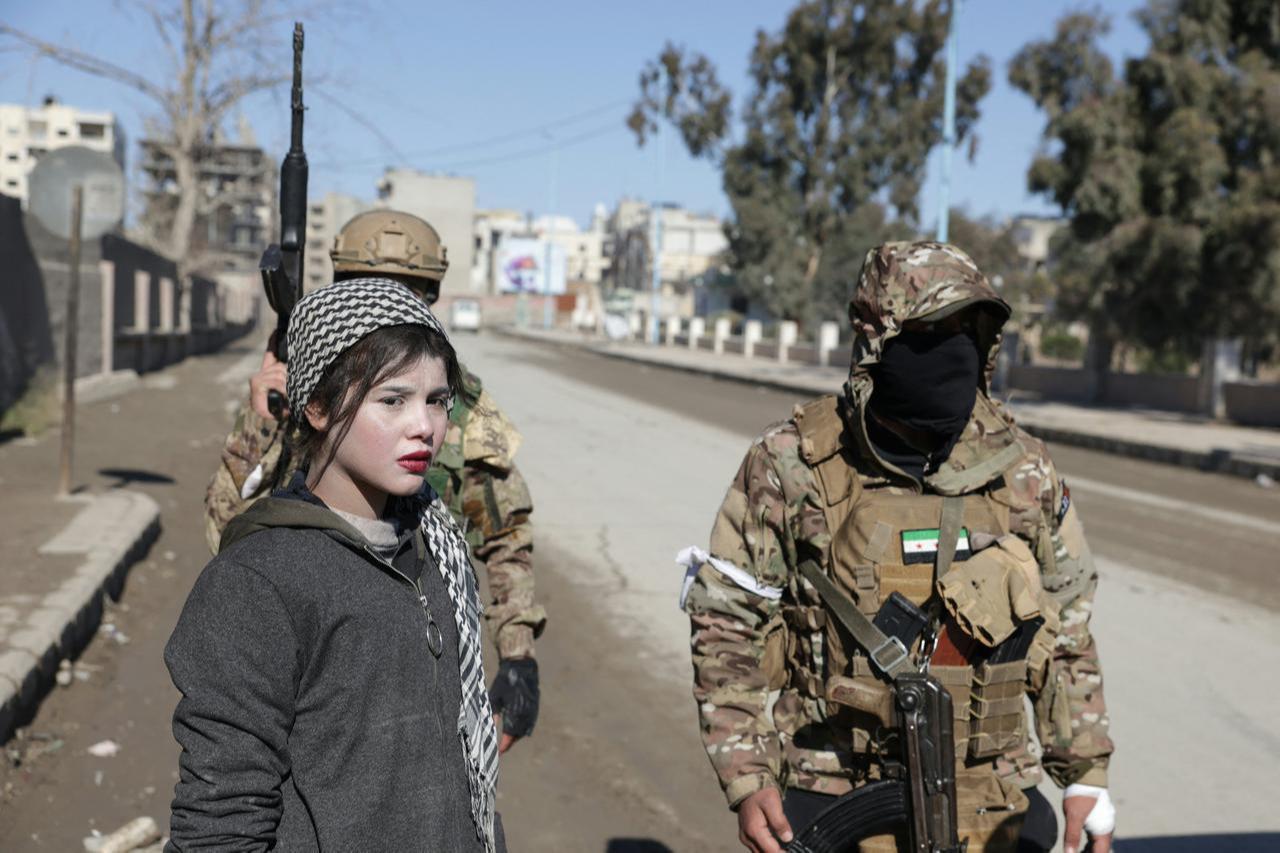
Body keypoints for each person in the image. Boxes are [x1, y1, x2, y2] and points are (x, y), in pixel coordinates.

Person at [680, 242, 1115, 853]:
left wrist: (1084, 774)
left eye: (969, 332)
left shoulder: (1021, 469)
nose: (953, 353)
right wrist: (747, 774)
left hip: (992, 790)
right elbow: (727, 621)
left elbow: (1066, 626)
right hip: (830, 782)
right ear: (875, 341)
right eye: (929, 333)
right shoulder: (792, 462)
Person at [167, 278, 503, 851]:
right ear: (317, 407)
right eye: (392, 400)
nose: (424, 426)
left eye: (436, 400)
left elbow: (467, 783)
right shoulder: (259, 582)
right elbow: (219, 826)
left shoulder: (437, 550)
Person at [205, 210, 545, 751]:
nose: (421, 423)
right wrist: (261, 425)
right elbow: (226, 536)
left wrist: (518, 655)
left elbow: (505, 532)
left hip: (422, 635)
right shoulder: (312, 388)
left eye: (408, 292)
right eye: (369, 288)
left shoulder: (457, 400)